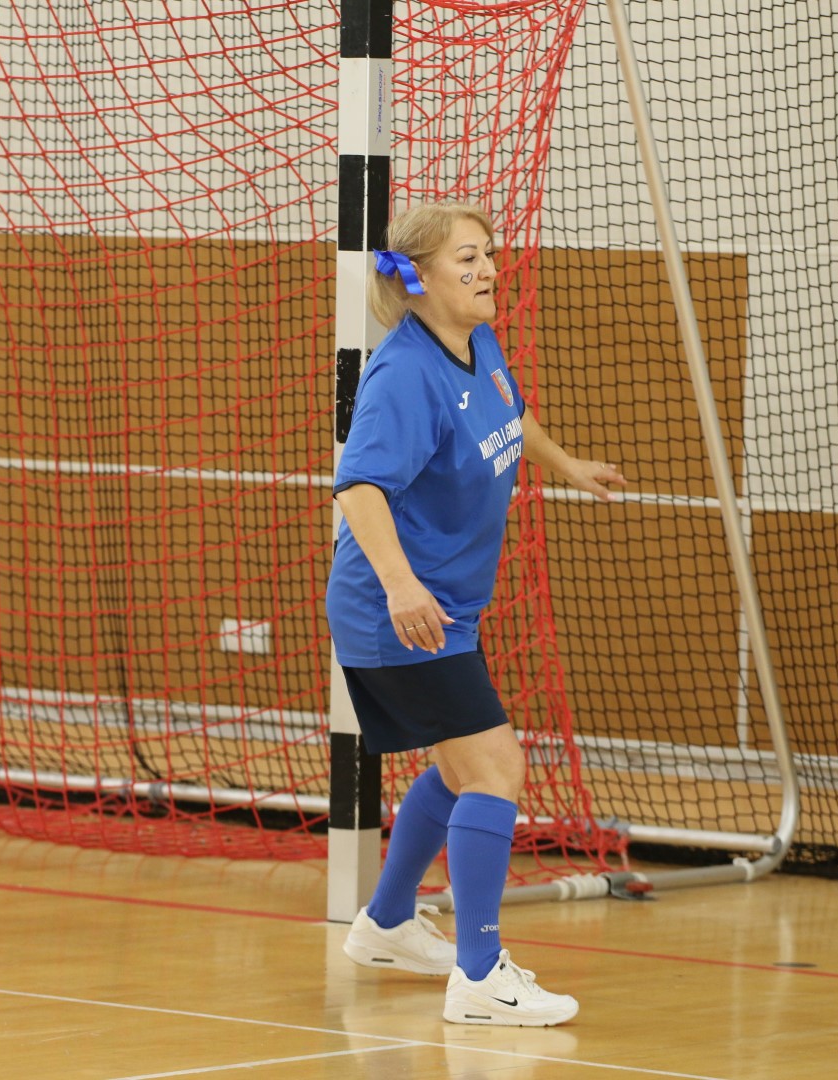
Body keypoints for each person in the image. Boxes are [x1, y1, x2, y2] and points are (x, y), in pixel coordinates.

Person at [327, 201, 626, 1025]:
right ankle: (481, 976)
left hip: (447, 606)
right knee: (495, 770)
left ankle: (388, 923)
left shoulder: (478, 342)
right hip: (396, 610)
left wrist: (566, 464)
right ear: (419, 278)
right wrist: (401, 586)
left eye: (488, 253)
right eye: (467, 258)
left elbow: (508, 413)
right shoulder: (403, 374)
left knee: (461, 771)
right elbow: (359, 488)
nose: (489, 268)